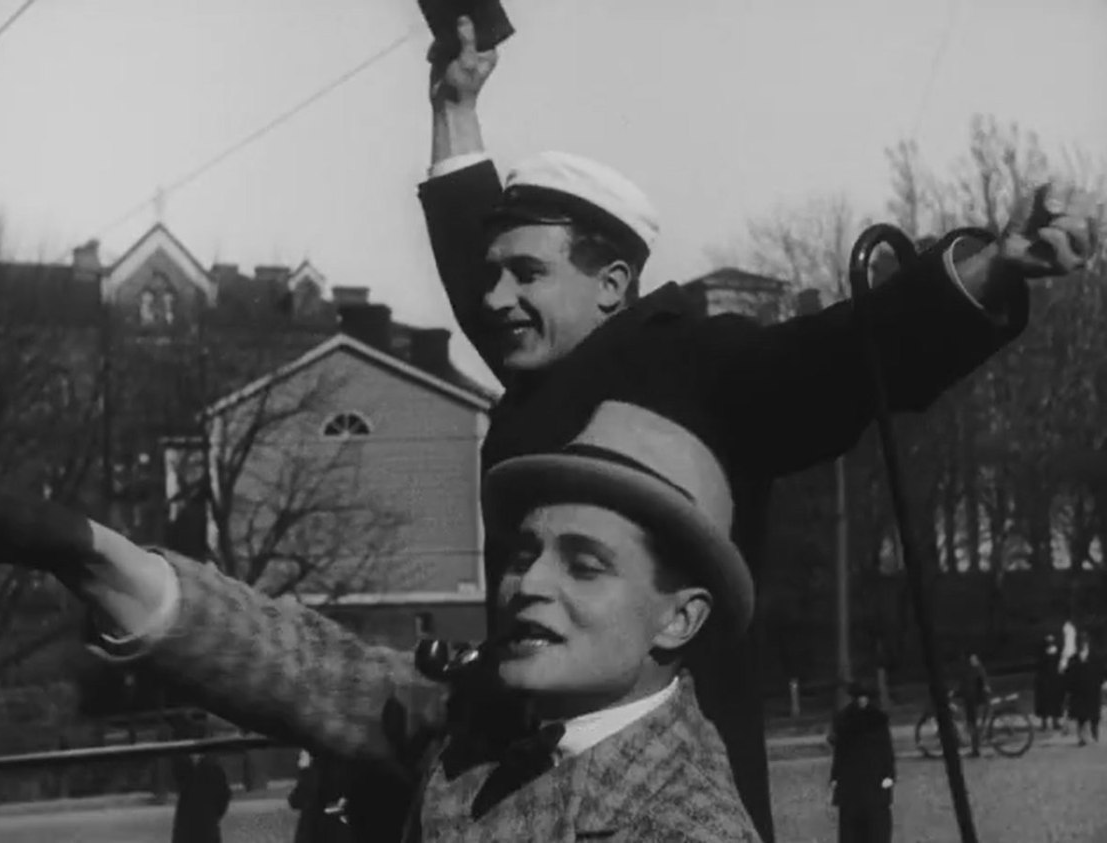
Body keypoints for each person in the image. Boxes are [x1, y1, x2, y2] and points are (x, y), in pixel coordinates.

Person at [419, 17, 1097, 840]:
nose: (494, 300)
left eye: (527, 273)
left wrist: (993, 266)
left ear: (614, 284)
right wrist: (455, 109)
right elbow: (475, 270)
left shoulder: (694, 363)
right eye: (492, 276)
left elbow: (840, 356)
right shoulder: (548, 371)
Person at [0, 399, 764, 841]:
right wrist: (91, 553)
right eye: (526, 551)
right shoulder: (494, 712)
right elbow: (306, 670)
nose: (529, 582)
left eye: (584, 564)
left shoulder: (685, 826)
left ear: (679, 618)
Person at [829, 681, 895, 843]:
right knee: (852, 824)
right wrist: (835, 776)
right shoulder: (845, 720)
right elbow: (840, 752)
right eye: (859, 697)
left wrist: (889, 774)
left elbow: (886, 749)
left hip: (874, 776)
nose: (862, 700)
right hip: (851, 779)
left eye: (864, 697)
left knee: (876, 824)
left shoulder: (877, 720)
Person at [170, 738, 231, 843]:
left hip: (193, 825)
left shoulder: (211, 769)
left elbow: (224, 797)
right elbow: (224, 797)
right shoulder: (214, 769)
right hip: (204, 824)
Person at [1064, 632, 1104, 747]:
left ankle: (1094, 730)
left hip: (1092, 688)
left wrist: (1098, 683)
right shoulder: (1074, 658)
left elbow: (1102, 672)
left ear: (1087, 643)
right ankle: (1082, 737)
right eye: (1080, 642)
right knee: (1080, 714)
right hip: (1079, 690)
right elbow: (1069, 674)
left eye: (1084, 641)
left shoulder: (1096, 657)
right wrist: (1070, 687)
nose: (1082, 644)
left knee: (1093, 713)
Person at [955, 652, 991, 757]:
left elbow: (967, 686)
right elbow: (982, 681)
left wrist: (956, 693)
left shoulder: (970, 670)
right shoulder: (979, 668)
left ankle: (975, 750)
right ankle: (976, 746)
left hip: (973, 699)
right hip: (979, 698)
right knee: (974, 724)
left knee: (972, 724)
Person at [1034, 633, 1064, 730]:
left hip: (1055, 679)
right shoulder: (1042, 652)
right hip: (1044, 680)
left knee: (1055, 700)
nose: (1050, 643)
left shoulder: (1057, 651)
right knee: (1044, 702)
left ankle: (1055, 722)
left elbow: (1060, 664)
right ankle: (1044, 723)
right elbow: (1039, 665)